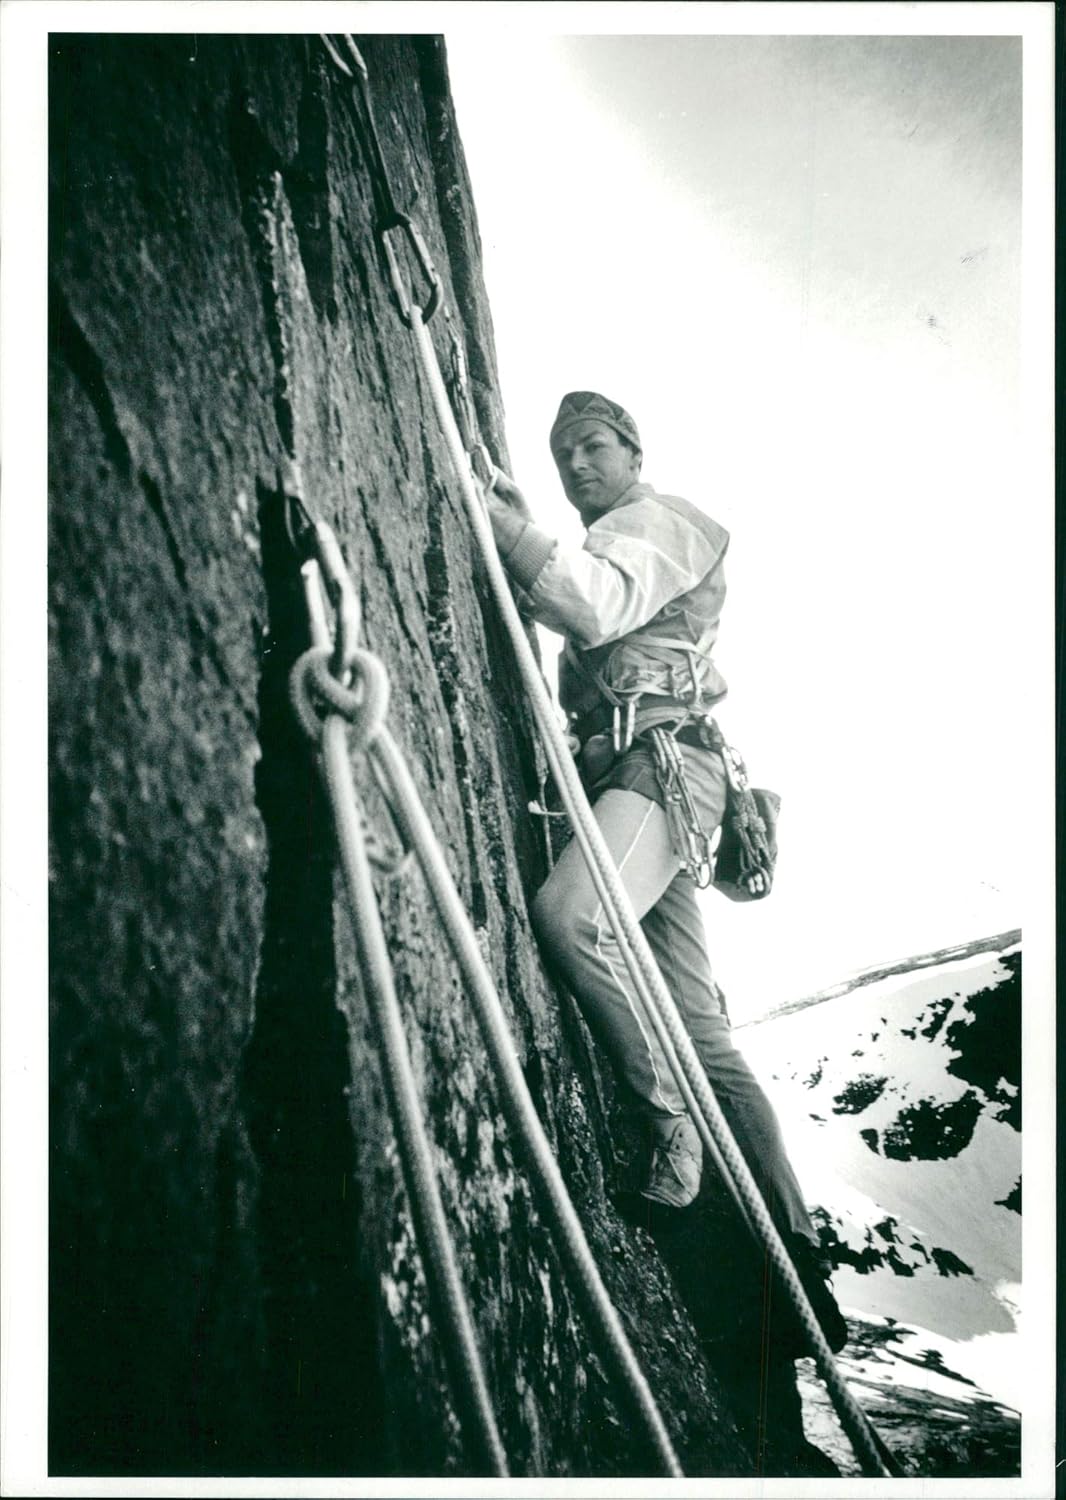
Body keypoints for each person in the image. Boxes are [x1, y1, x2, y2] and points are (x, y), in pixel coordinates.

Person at [485, 390, 846, 1354]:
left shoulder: (662, 521)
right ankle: (793, 1260)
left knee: (572, 919)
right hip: (652, 780)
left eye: (593, 446)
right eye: (564, 454)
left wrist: (500, 524)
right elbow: (578, 589)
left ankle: (670, 1123)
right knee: (700, 1025)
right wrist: (525, 527)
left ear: (634, 450)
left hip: (660, 770)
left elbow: (591, 600)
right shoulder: (623, 536)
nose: (576, 465)